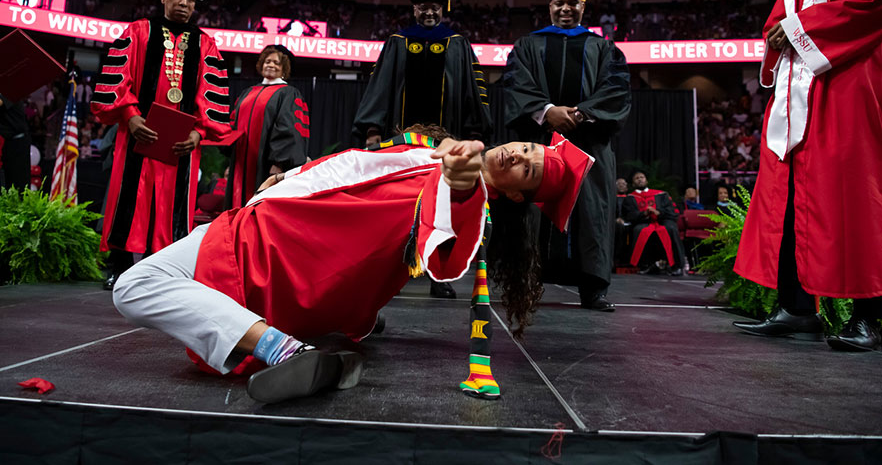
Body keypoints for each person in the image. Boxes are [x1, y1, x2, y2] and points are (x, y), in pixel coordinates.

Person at [112, 128, 592, 404]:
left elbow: (446, 246)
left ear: (513, 194)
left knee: (134, 286)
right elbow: (352, 167)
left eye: (527, 169)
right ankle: (314, 334)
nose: (517, 155)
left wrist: (461, 184)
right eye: (527, 149)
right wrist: (292, 177)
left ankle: (281, 347)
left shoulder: (463, 194)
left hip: (271, 250)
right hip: (258, 222)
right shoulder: (429, 153)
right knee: (167, 286)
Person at [733, 0, 882, 351]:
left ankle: (870, 318)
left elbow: (870, 6)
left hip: (847, 89)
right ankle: (798, 310)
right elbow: (778, 20)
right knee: (794, 197)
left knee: (856, 201)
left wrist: (796, 29)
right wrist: (782, 32)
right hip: (798, 99)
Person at [91, 0, 230, 289]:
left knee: (174, 205)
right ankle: (119, 265)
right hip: (136, 133)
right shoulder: (139, 31)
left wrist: (198, 134)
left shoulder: (205, 43)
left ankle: (162, 268)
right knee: (128, 197)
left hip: (181, 141)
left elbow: (212, 93)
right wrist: (130, 116)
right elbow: (118, 77)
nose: (184, 4)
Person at [353, 0, 493, 299]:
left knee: (443, 204)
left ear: (443, 11)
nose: (429, 12)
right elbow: (379, 86)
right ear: (414, 11)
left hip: (447, 139)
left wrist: (474, 131)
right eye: (423, 8)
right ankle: (390, 273)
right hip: (399, 139)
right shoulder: (397, 41)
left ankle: (438, 275)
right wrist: (372, 129)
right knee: (397, 202)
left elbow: (474, 88)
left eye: (435, 7)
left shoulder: (457, 44)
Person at [503, 0, 631, 311]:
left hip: (588, 143)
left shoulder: (603, 48)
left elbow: (616, 89)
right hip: (539, 141)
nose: (565, 8)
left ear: (583, 8)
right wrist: (547, 112)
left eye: (572, 3)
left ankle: (593, 288)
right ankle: (527, 282)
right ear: (550, 8)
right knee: (533, 210)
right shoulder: (528, 46)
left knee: (592, 212)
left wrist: (579, 114)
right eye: (559, 3)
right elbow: (516, 82)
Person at [226, 45, 309, 208]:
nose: (271, 65)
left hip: (268, 166)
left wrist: (280, 163)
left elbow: (289, 129)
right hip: (240, 165)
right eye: (267, 61)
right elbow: (233, 125)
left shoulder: (288, 93)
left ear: (284, 69)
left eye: (276, 63)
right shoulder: (248, 92)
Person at [622, 171, 687, 276]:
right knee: (640, 230)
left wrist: (658, 212)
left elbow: (671, 211)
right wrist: (644, 213)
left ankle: (676, 266)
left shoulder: (661, 194)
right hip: (643, 221)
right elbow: (629, 215)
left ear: (646, 180)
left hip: (662, 220)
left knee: (670, 228)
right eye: (636, 178)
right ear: (633, 184)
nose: (639, 179)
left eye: (642, 177)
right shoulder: (630, 198)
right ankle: (645, 265)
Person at [0, 93, 30, 190]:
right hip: (8, 142)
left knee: (19, 184)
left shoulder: (9, 91)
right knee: (9, 183)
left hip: (18, 142)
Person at [614, 177, 631, 267]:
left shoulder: (631, 198)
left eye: (623, 184)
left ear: (627, 187)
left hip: (628, 222)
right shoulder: (611, 198)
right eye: (618, 184)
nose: (621, 185)